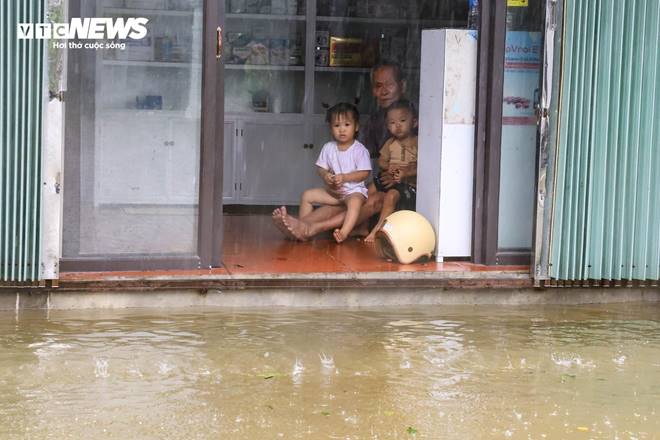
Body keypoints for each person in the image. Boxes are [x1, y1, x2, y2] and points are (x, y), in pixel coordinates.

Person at [272, 61, 407, 241]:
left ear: (403, 86)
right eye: (378, 86)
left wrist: (401, 174)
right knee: (351, 198)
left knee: (370, 200)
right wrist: (339, 183)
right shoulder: (376, 120)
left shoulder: (414, 116)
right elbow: (363, 160)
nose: (383, 91)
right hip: (381, 182)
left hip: (406, 187)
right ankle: (300, 225)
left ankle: (310, 229)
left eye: (389, 84)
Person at [299, 103, 371, 243]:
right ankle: (302, 227)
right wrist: (325, 175)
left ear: (356, 127)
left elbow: (364, 173)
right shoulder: (328, 148)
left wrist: (345, 177)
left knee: (355, 202)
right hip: (335, 193)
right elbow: (321, 168)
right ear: (331, 128)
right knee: (307, 195)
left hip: (353, 191)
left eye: (347, 125)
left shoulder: (360, 150)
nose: (342, 130)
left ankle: (344, 232)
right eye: (337, 126)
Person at [364, 99, 418, 243]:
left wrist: (406, 173)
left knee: (391, 196)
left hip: (407, 184)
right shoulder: (390, 143)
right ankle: (362, 225)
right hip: (389, 176)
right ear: (387, 126)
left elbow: (424, 166)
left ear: (414, 122)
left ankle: (378, 230)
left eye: (402, 120)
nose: (398, 126)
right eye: (392, 123)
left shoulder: (418, 142)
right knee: (367, 191)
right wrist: (387, 168)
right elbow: (382, 160)